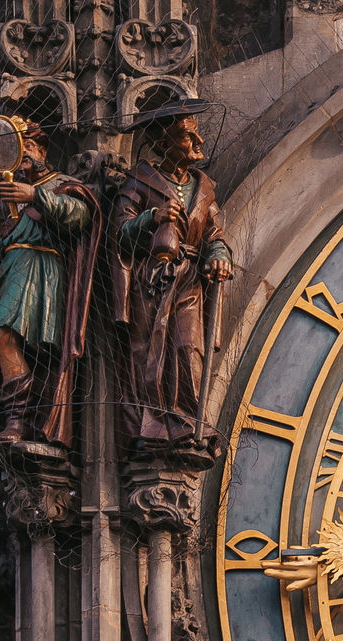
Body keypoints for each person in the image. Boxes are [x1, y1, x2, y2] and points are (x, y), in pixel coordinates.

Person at [0, 118, 98, 446]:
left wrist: (34, 194)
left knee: (4, 337)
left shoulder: (61, 184)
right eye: (19, 151)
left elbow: (81, 215)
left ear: (44, 150)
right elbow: (10, 245)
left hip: (42, 273)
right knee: (8, 341)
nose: (24, 156)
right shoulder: (16, 200)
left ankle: (20, 418)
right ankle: (21, 419)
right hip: (16, 271)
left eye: (29, 147)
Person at [110, 99, 233, 453]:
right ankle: (151, 424)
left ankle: (188, 421)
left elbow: (215, 235)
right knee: (149, 350)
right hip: (152, 278)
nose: (198, 144)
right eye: (186, 137)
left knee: (188, 348)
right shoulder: (139, 180)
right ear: (162, 143)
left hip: (190, 280)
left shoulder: (204, 188)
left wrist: (219, 257)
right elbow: (120, 233)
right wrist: (152, 218)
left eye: (197, 135)